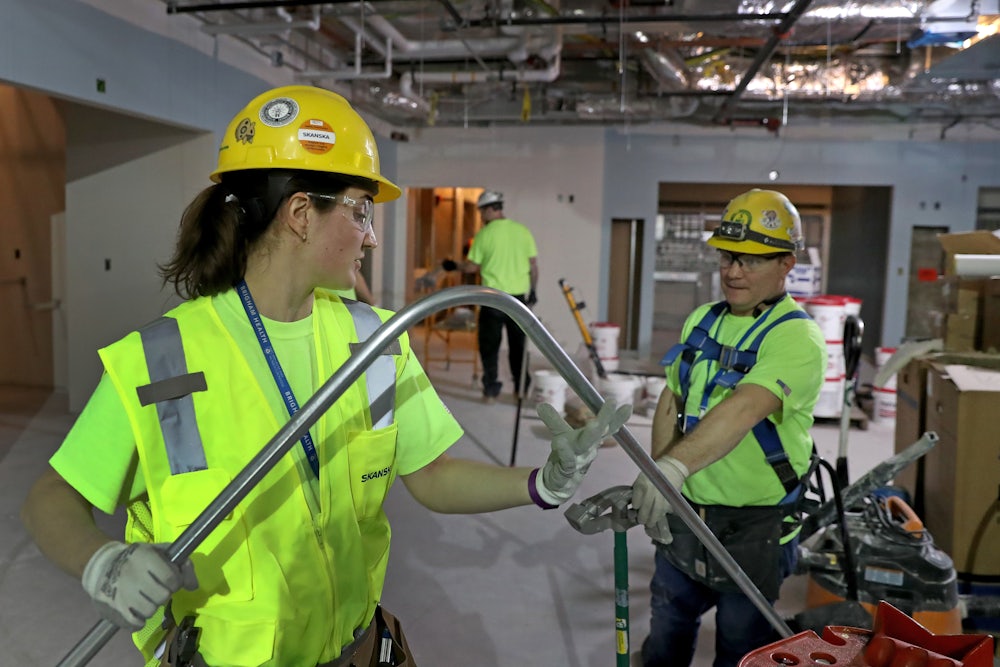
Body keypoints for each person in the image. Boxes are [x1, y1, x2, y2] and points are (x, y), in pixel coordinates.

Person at [20, 85, 630, 667]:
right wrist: (103, 562)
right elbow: (52, 499)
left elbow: (432, 474)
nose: (369, 234)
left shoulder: (376, 340)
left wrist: (543, 483)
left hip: (356, 651)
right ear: (302, 214)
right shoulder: (161, 359)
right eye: (361, 210)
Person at [631, 189, 827, 667]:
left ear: (786, 264)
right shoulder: (703, 320)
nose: (734, 271)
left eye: (753, 260)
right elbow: (672, 396)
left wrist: (675, 466)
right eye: (729, 256)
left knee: (741, 646)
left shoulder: (797, 338)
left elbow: (744, 409)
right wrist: (662, 474)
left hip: (754, 526)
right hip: (687, 512)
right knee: (668, 629)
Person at [421, 190, 538, 403]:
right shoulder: (523, 231)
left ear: (492, 209)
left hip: (493, 299)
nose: (481, 217)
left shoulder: (484, 235)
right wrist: (534, 291)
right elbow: (533, 266)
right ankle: (521, 391)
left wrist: (452, 265)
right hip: (518, 301)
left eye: (482, 212)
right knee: (518, 348)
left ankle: (491, 392)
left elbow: (472, 266)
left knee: (489, 348)